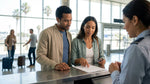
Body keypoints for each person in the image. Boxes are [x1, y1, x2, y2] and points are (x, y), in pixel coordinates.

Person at [109, 0, 150, 84]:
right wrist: (125, 66)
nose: (124, 27)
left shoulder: (137, 49)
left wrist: (114, 72)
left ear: (134, 20)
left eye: (125, 21)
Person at [36, 6, 72, 71]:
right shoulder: (46, 33)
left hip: (66, 73)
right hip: (50, 75)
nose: (69, 23)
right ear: (58, 19)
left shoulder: (69, 35)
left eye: (70, 20)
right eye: (66, 21)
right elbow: (39, 56)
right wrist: (55, 65)